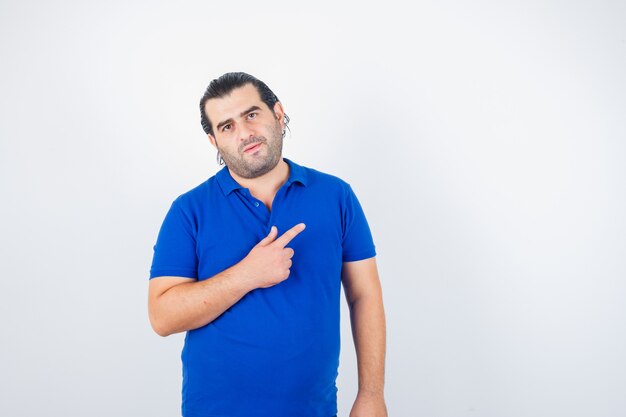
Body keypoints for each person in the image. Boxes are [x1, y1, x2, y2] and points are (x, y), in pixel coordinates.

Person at [148, 72, 387, 417]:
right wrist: (247, 274)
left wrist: (371, 394)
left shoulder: (336, 196)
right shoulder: (189, 211)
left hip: (314, 409)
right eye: (226, 126)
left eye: (251, 114)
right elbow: (162, 317)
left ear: (277, 113)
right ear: (214, 141)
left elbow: (365, 295)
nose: (244, 133)